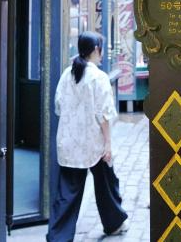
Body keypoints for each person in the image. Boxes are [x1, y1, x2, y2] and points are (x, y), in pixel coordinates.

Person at [49, 32, 129, 241]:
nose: (102, 53)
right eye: (101, 49)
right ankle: (114, 223)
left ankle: (58, 237)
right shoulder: (98, 77)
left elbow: (58, 106)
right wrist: (108, 144)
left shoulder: (67, 74)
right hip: (94, 143)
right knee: (107, 183)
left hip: (69, 142)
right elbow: (104, 115)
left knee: (67, 193)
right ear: (95, 50)